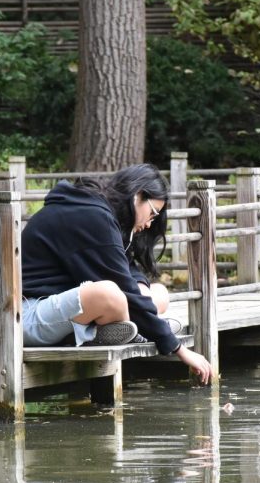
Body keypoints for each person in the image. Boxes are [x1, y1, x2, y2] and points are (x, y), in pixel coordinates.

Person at [21, 163, 213, 384]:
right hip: (30, 317)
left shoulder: (102, 214)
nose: (151, 223)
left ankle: (127, 328)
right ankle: (126, 330)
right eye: (152, 213)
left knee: (158, 292)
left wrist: (140, 285)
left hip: (63, 312)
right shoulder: (90, 216)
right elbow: (122, 287)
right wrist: (177, 347)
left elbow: (126, 269)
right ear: (137, 195)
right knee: (110, 294)